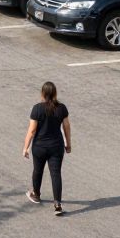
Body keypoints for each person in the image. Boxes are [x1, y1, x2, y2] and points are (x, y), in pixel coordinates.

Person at [23, 81, 71, 216]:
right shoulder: (62, 108)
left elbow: (32, 130)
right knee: (56, 173)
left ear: (42, 94)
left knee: (38, 170)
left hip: (39, 147)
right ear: (55, 93)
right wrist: (68, 144)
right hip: (56, 146)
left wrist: (25, 147)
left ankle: (36, 194)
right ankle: (57, 204)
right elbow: (66, 127)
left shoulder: (37, 108)